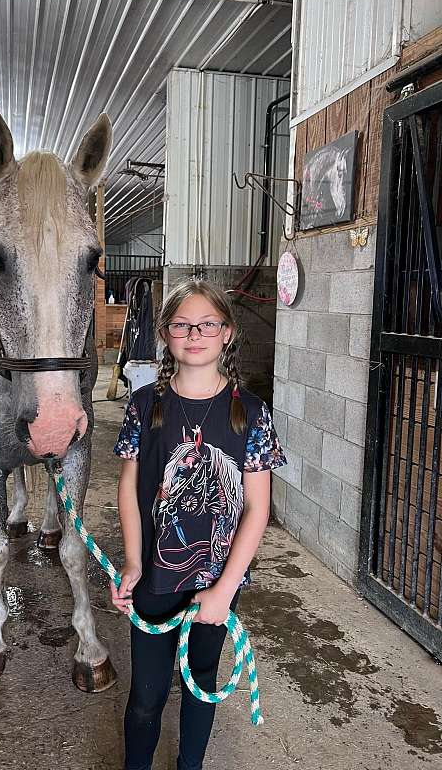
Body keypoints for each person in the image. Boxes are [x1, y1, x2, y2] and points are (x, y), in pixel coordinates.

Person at [111, 277, 286, 770]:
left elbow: (257, 507)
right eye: (182, 325)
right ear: (166, 334)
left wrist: (225, 589)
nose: (195, 333)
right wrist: (130, 561)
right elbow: (129, 485)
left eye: (208, 324)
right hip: (153, 578)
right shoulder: (145, 405)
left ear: (227, 333)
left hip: (215, 583)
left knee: (200, 686)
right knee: (145, 696)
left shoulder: (250, 414)